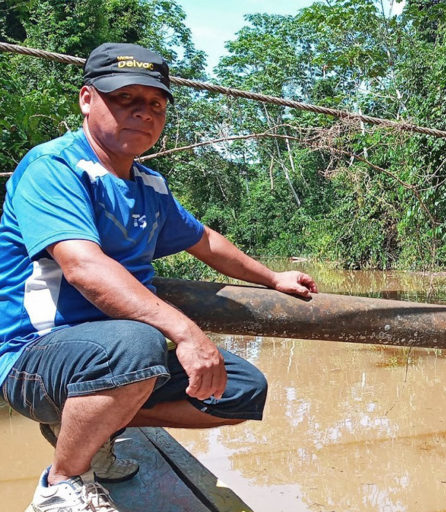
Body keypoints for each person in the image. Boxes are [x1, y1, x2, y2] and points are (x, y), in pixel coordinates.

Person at [0, 42, 318, 512]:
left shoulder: (149, 185)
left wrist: (272, 279)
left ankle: (95, 427)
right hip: (33, 357)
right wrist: (186, 332)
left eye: (154, 104)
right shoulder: (56, 168)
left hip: (115, 357)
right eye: (124, 99)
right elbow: (84, 267)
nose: (142, 113)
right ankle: (60, 485)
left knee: (238, 390)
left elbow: (204, 240)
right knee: (137, 344)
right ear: (87, 99)